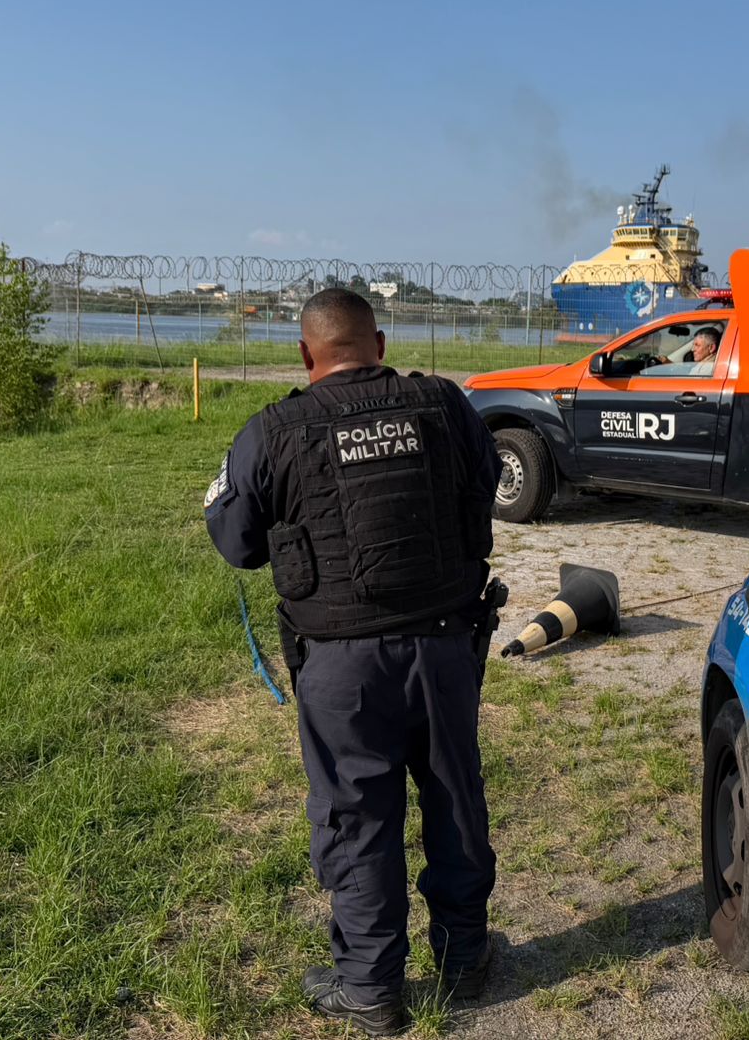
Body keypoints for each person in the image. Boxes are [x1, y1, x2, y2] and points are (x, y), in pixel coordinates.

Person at [204, 288, 501, 1036]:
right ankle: (465, 959)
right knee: (455, 797)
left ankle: (370, 988)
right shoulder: (444, 403)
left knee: (356, 816)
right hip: (445, 648)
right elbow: (487, 483)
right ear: (381, 342)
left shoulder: (274, 430)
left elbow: (235, 539)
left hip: (341, 667)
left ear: (306, 354)